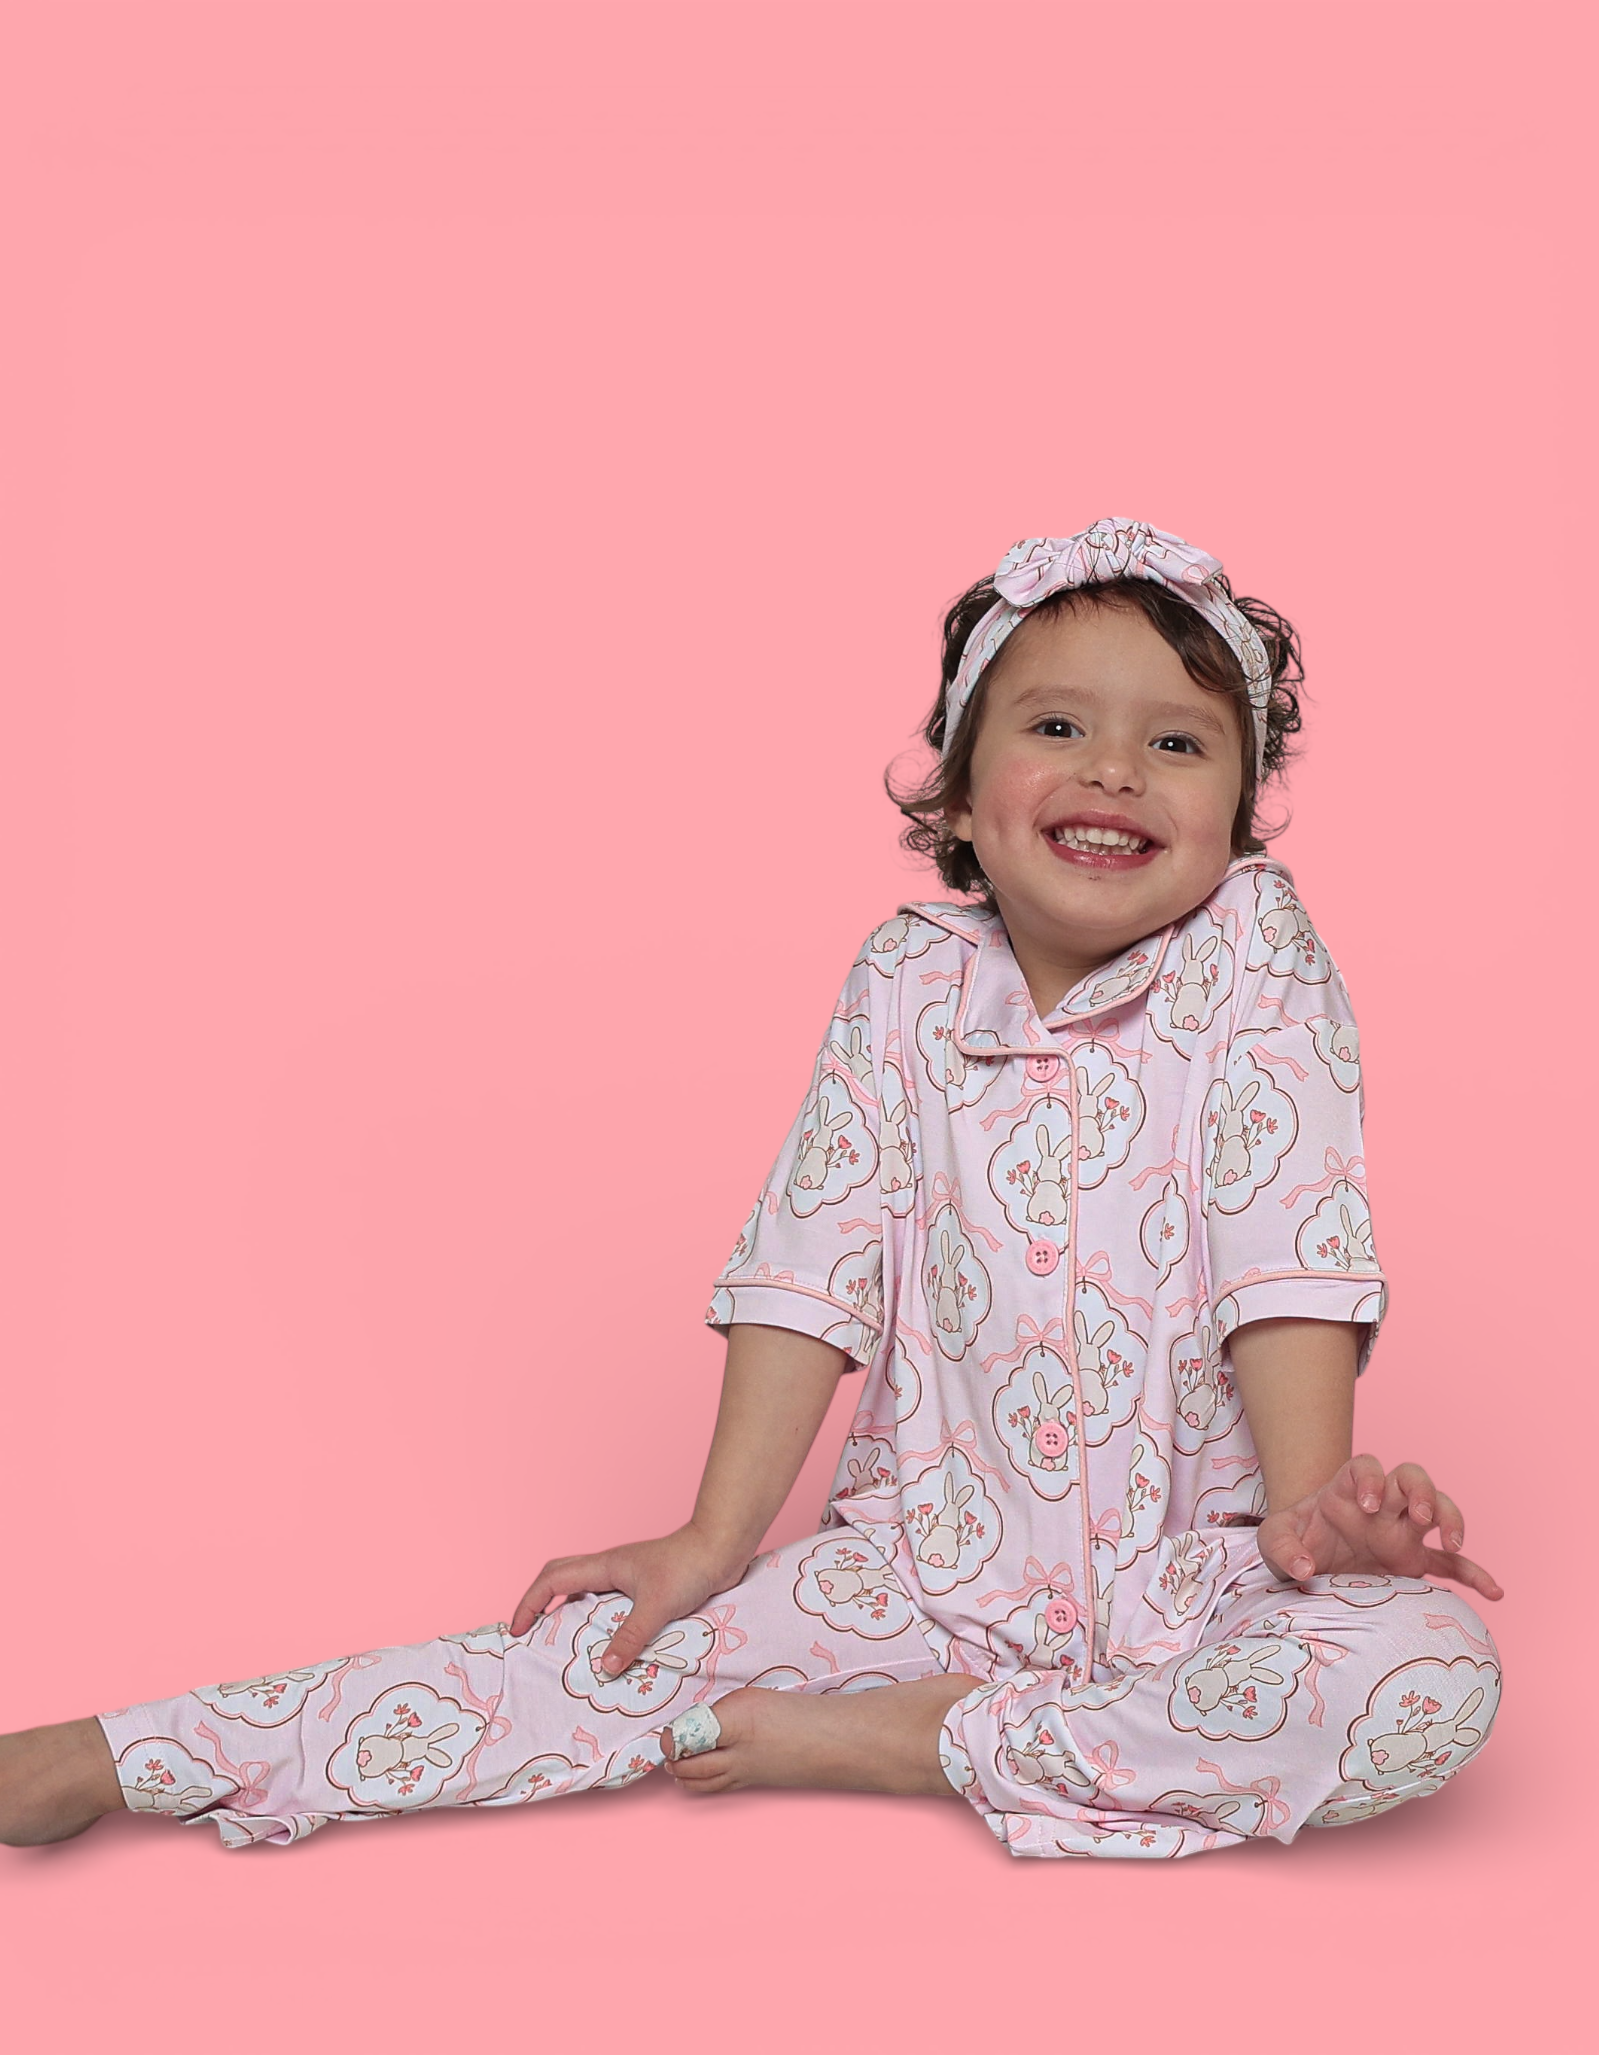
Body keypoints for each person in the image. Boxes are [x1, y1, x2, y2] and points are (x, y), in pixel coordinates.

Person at [0, 515, 1503, 1859]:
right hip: (916, 1578)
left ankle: (924, 1743)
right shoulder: (906, 981)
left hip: (1197, 1586)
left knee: (1427, 1672)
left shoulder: (1256, 959)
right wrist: (714, 1541)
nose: (1116, 768)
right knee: (605, 1653)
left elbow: (1284, 1237)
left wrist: (1309, 1513)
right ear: (958, 799)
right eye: (1058, 725)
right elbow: (814, 1258)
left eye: (1178, 743)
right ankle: (130, 1755)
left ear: (1238, 818)